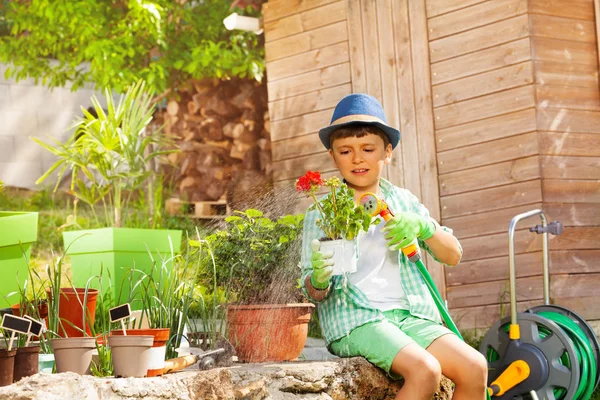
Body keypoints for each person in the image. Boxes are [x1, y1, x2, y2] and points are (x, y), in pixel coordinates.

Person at [300, 94, 488, 400]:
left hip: (410, 316)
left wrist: (424, 227)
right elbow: (311, 290)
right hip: (357, 319)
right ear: (334, 158)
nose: (357, 159)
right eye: (345, 151)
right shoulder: (321, 213)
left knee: (475, 366)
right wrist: (319, 278)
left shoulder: (403, 201)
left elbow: (452, 255)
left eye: (368, 149)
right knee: (425, 370)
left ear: (387, 152)